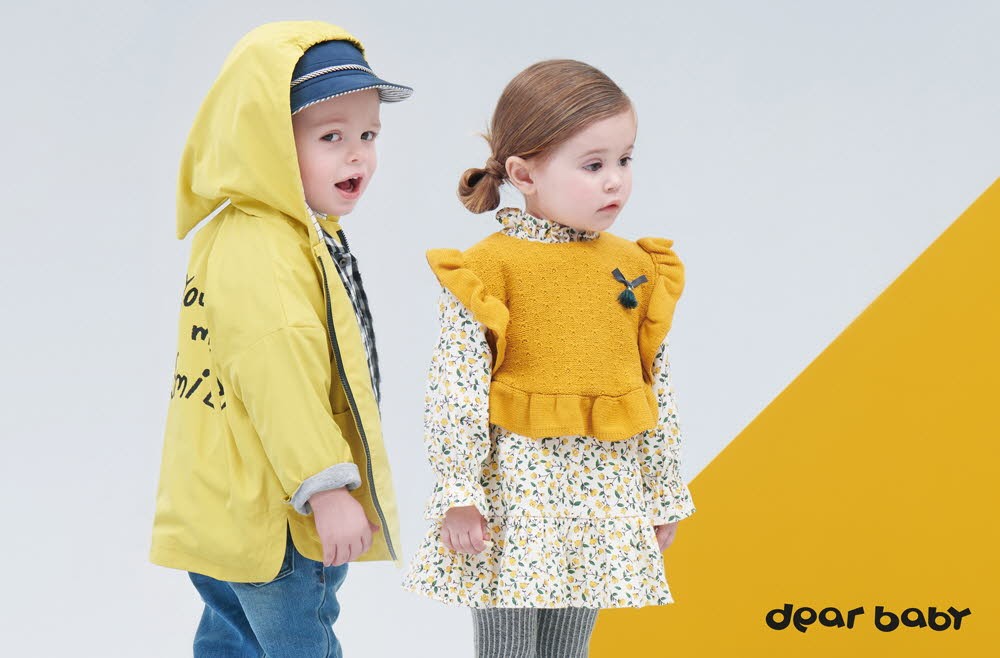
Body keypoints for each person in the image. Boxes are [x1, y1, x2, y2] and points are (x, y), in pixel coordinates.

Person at [402, 59, 695, 658]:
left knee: (569, 649)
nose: (615, 182)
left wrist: (662, 491)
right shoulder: (489, 268)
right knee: (508, 648)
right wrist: (459, 489)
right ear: (523, 173)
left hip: (603, 491)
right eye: (593, 165)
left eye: (625, 160)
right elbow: (457, 385)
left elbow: (652, 385)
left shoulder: (637, 268)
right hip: (517, 492)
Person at [149, 21, 412, 657]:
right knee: (299, 642)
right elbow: (279, 372)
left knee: (233, 641)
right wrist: (326, 486)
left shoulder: (245, 230)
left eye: (369, 135)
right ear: (263, 141)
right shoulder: (269, 248)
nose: (358, 155)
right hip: (281, 519)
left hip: (228, 508)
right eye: (331, 137)